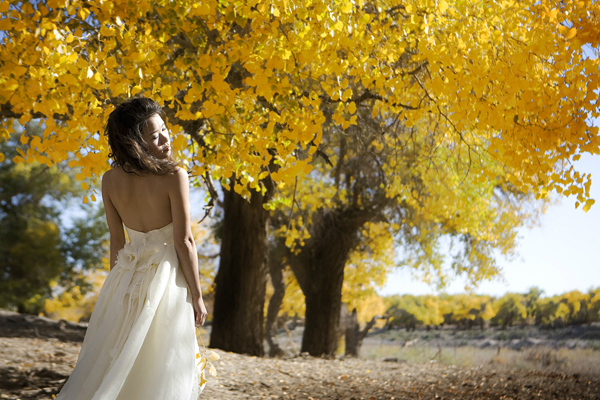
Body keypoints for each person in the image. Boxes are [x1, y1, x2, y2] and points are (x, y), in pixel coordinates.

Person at [55, 97, 208, 400]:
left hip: (126, 273)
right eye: (154, 135)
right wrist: (197, 295)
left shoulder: (109, 181)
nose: (166, 139)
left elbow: (117, 241)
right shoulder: (173, 175)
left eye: (165, 129)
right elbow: (184, 241)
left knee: (119, 354)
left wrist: (118, 287)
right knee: (160, 360)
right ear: (135, 142)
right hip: (166, 277)